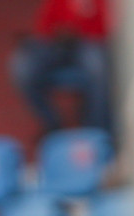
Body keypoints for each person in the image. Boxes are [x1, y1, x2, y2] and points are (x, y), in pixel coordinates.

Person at [10, 0, 112, 138]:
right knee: (22, 67)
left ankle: (97, 130)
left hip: (88, 43)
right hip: (57, 44)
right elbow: (44, 30)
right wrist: (60, 33)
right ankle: (52, 126)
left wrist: (79, 31)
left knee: (98, 66)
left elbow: (106, 30)